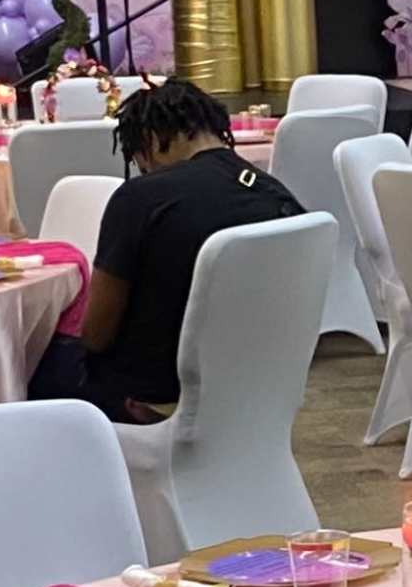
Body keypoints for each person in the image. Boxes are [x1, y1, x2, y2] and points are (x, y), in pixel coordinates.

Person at [76, 79, 306, 421]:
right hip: (260, 387)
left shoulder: (141, 199)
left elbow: (96, 335)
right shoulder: (278, 196)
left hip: (155, 395)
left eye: (138, 158)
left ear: (150, 141)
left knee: (36, 362)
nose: (143, 169)